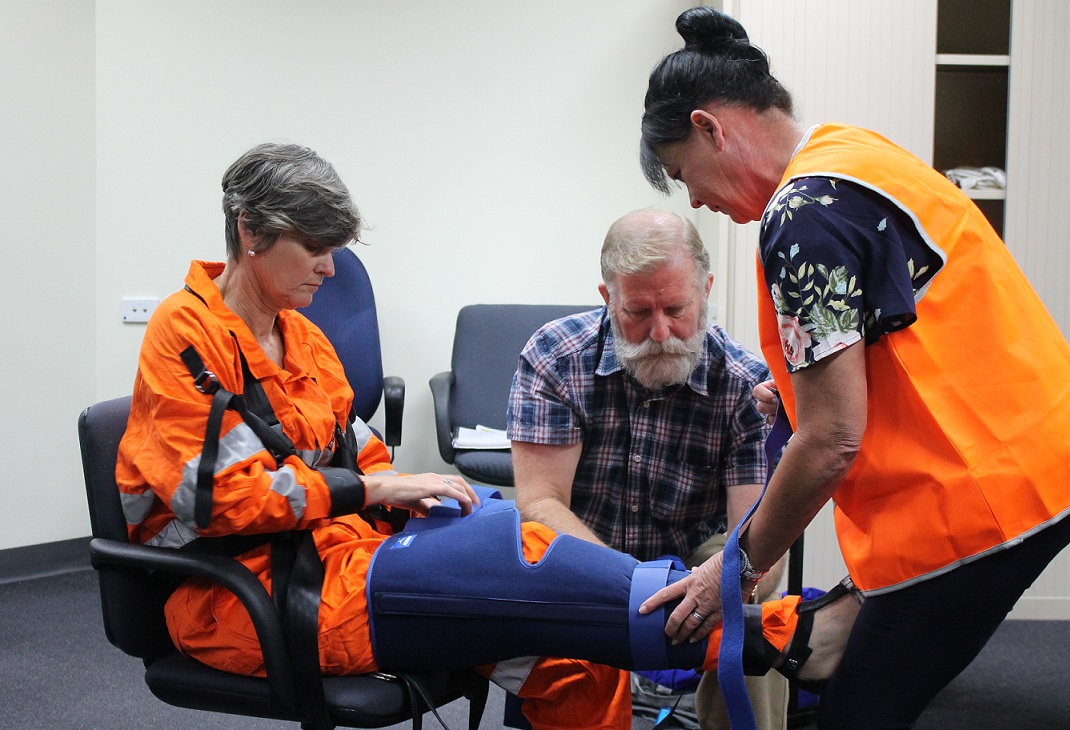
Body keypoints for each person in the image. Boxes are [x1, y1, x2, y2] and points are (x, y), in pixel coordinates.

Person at [119, 142, 845, 730]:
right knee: (513, 552)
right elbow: (214, 501)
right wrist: (375, 487)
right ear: (250, 232)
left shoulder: (301, 338)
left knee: (574, 657)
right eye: (314, 246)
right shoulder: (183, 335)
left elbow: (357, 449)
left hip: (348, 558)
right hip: (245, 596)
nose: (330, 267)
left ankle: (741, 627)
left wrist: (418, 495)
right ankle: (780, 635)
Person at [637, 7, 1070, 729]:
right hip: (1047, 448)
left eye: (681, 175)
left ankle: (822, 640)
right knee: (848, 653)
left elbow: (831, 440)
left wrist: (732, 571)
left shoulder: (800, 214)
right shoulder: (850, 155)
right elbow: (899, 318)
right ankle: (822, 634)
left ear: (708, 128)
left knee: (860, 711)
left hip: (988, 497)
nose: (693, 199)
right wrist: (793, 389)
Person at [508, 207, 788, 730]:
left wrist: (714, 584)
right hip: (579, 549)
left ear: (705, 289)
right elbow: (542, 502)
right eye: (637, 312)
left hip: (695, 557)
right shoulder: (554, 356)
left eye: (677, 308)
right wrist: (629, 586)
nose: (660, 333)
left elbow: (756, 534)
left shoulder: (745, 383)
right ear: (606, 297)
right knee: (530, 556)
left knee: (757, 624)